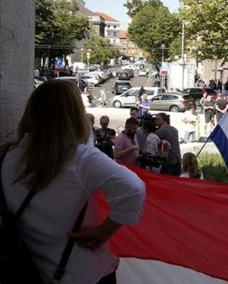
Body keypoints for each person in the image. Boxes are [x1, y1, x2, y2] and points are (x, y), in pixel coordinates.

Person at [0, 79, 145, 283]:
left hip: (29, 270)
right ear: (76, 114)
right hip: (81, 272)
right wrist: (104, 232)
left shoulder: (8, 155)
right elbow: (134, 189)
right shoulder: (80, 158)